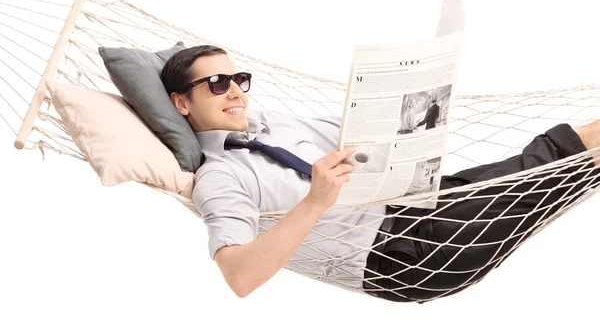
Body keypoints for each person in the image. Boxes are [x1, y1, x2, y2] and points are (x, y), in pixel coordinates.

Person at [160, 45, 600, 302]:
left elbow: (353, 134)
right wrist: (315, 200)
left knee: (560, 148)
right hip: (403, 257)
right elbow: (240, 277)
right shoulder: (219, 177)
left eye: (238, 79)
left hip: (412, 202)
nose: (235, 91)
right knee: (559, 169)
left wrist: (408, 99)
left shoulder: (272, 123)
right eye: (217, 84)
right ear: (181, 103)